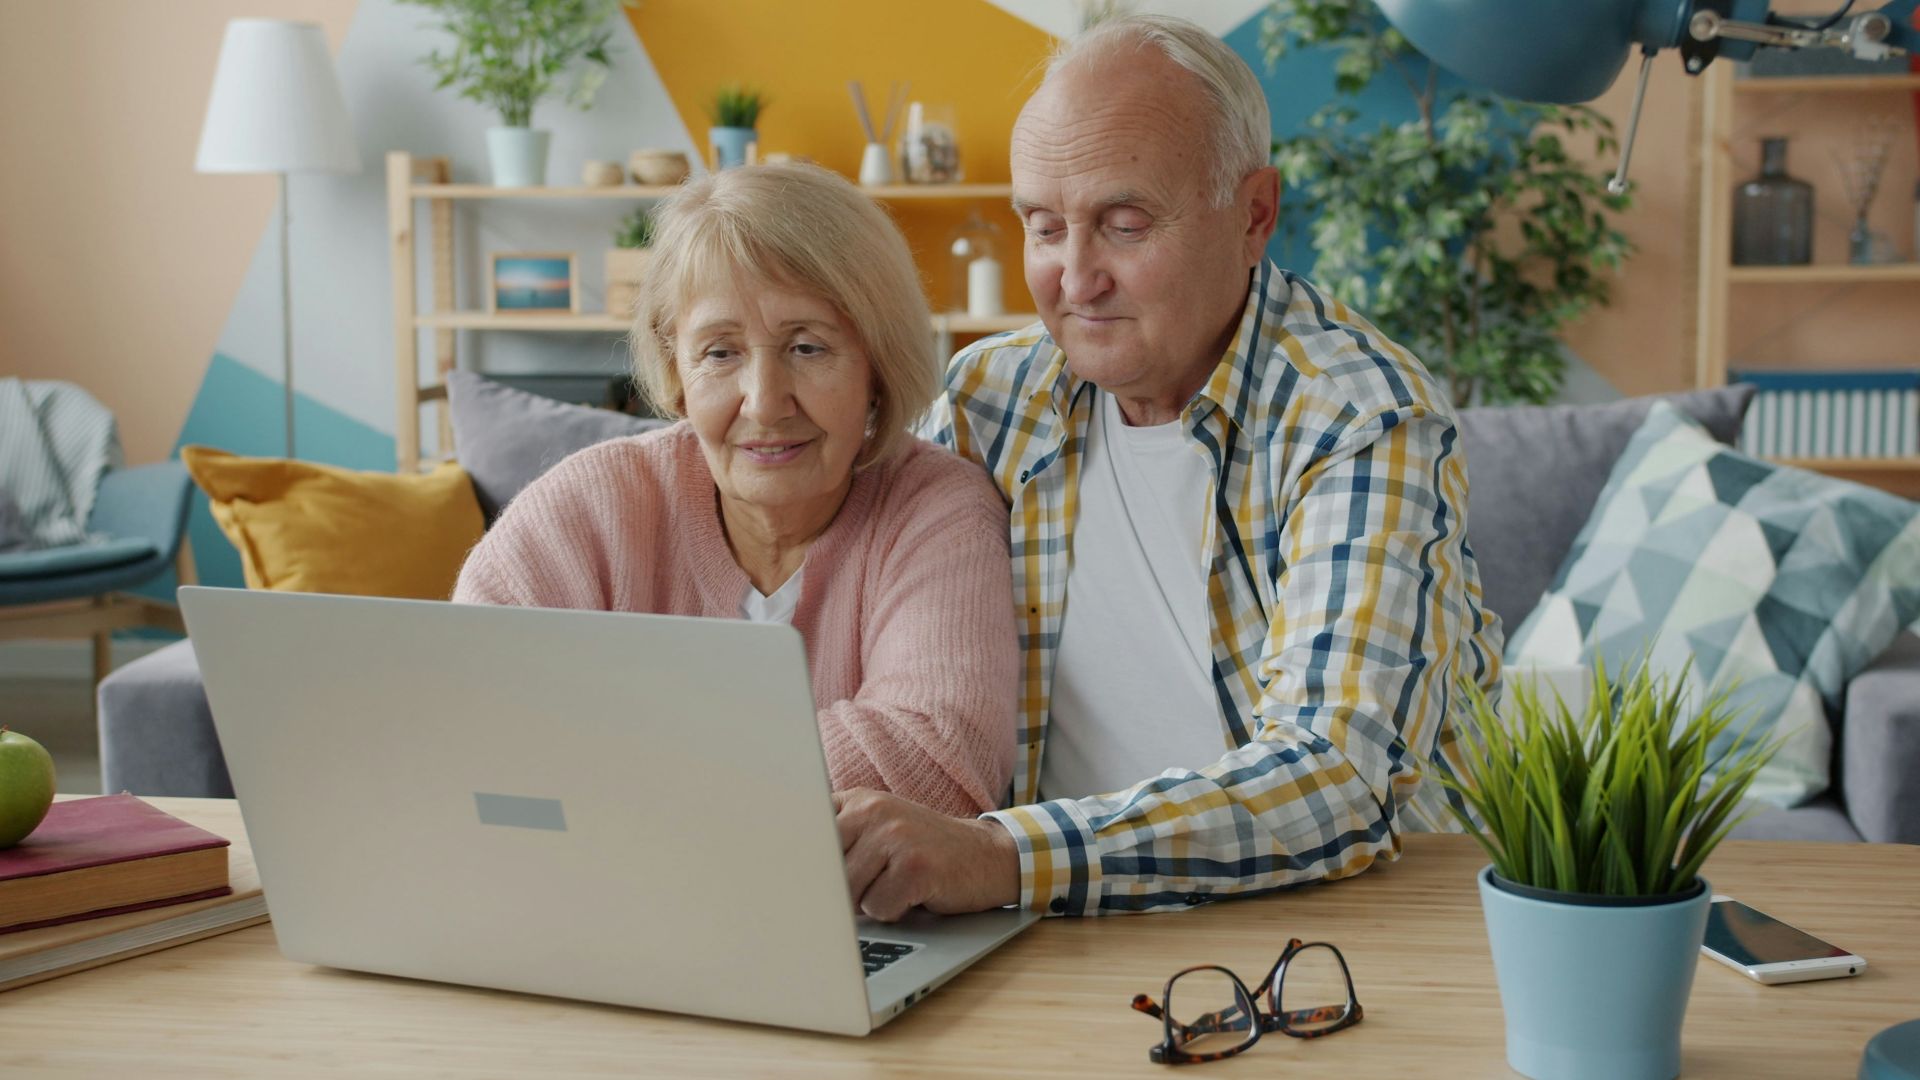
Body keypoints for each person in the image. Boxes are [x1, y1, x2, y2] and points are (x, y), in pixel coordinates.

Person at [832, 14, 1504, 918]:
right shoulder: (989, 399)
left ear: (1254, 214)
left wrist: (1006, 855)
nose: (1074, 278)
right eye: (1044, 227)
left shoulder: (1359, 415)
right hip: (1049, 930)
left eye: (1124, 224)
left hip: (1350, 928)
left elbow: (1342, 774)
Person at [454, 163, 1018, 818]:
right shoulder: (588, 506)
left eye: (807, 348)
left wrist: (605, 770)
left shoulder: (937, 509)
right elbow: (474, 722)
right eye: (720, 353)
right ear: (674, 370)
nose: (766, 403)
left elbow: (938, 761)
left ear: (878, 365)